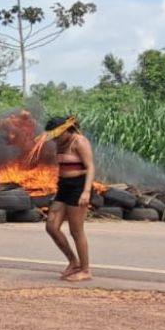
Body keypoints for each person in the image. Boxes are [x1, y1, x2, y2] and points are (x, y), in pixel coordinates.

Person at [43, 115, 95, 283]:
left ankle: (85, 270)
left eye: (58, 135)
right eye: (53, 136)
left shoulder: (79, 141)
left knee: (76, 230)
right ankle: (74, 262)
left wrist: (86, 191)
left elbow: (90, 167)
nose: (56, 139)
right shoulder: (60, 144)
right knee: (51, 226)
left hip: (78, 187)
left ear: (66, 131)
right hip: (63, 187)